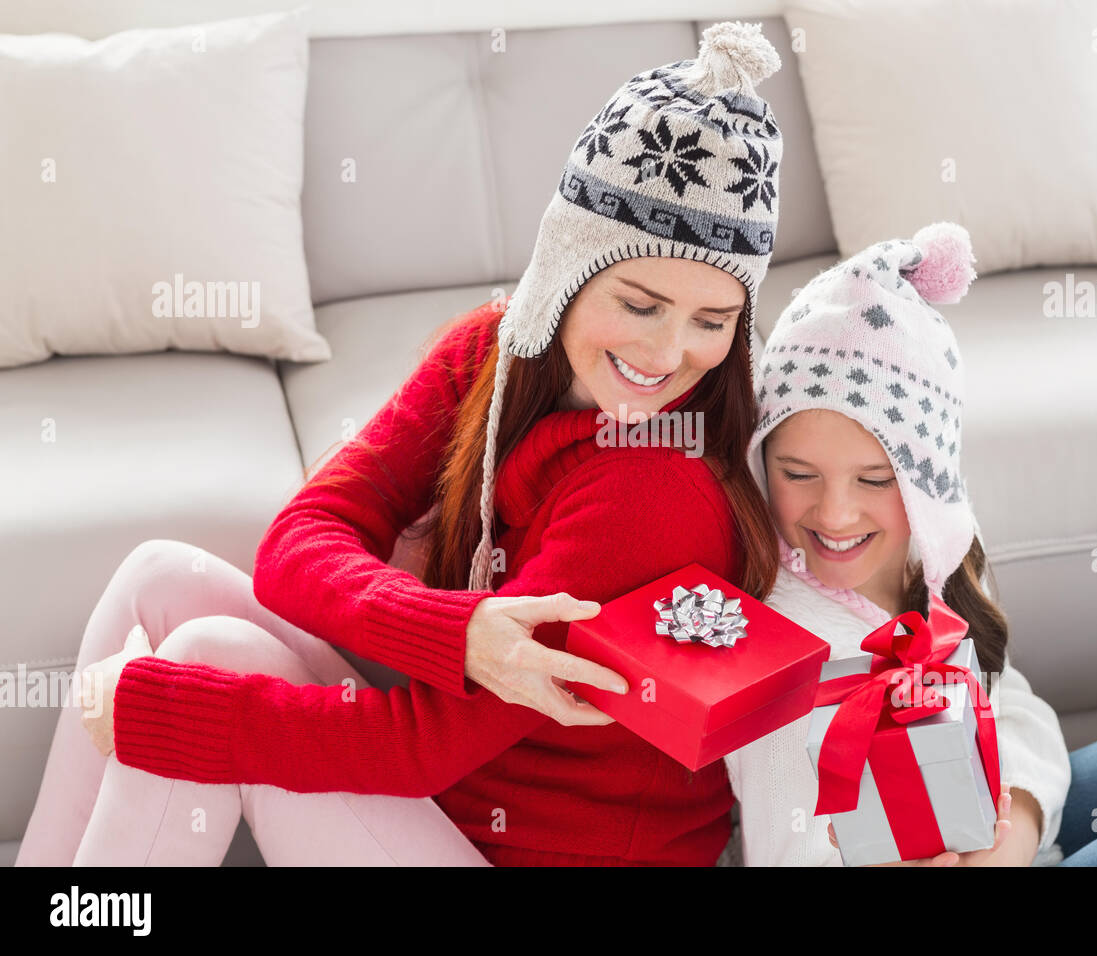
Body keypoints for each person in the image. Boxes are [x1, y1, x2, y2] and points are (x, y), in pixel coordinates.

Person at [16, 21, 789, 867]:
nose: (668, 354)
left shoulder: (651, 494)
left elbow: (419, 745)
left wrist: (161, 714)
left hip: (514, 846)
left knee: (209, 661)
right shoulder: (488, 357)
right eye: (640, 304)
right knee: (161, 575)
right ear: (568, 265)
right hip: (445, 811)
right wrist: (455, 634)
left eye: (712, 321)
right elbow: (300, 539)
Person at [727, 222, 1097, 867]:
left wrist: (1017, 821)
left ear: (927, 484)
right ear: (761, 461)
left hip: (1010, 835)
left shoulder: (926, 560)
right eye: (798, 474)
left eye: (876, 479)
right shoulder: (774, 631)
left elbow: (1015, 711)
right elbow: (781, 834)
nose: (834, 513)